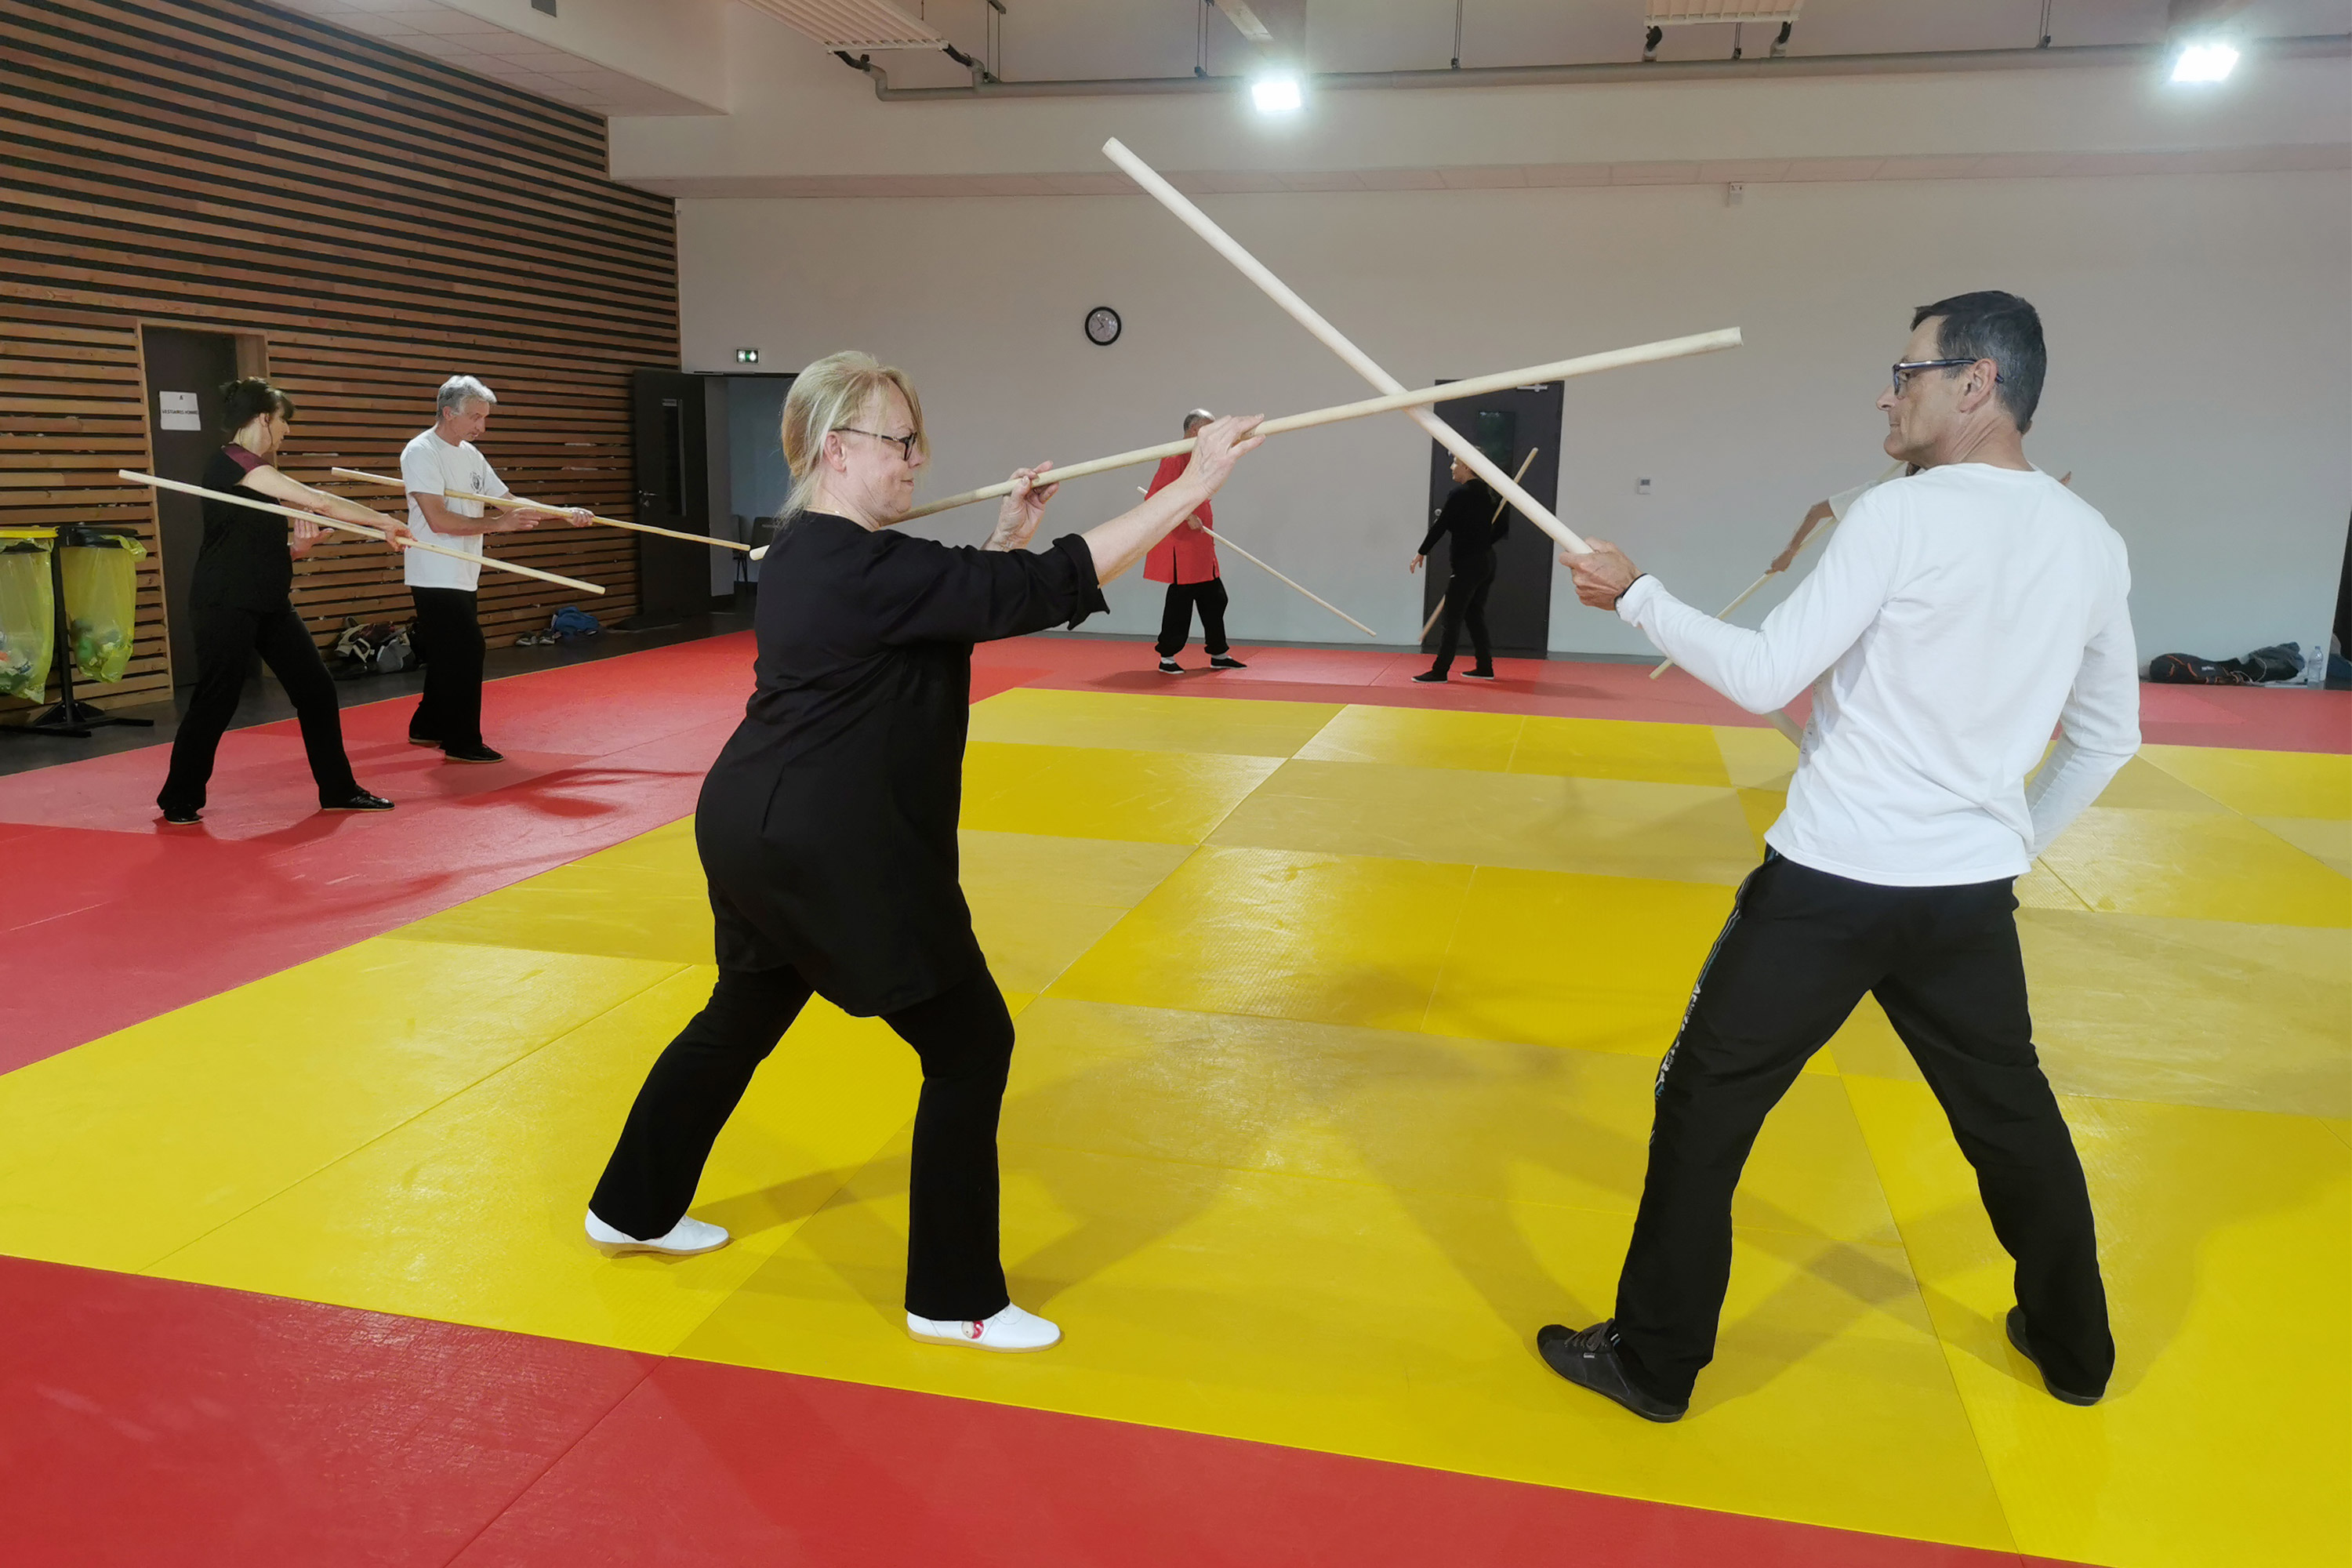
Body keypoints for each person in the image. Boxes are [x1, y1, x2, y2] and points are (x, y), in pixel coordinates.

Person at [585, 351, 1265, 1352]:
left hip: (753, 824)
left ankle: (631, 1205)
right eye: (900, 440)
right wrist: (1193, 486)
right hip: (832, 841)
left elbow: (950, 608)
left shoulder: (810, 554)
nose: (915, 459)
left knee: (742, 1010)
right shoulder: (860, 564)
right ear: (835, 449)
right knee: (970, 1043)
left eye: (916, 440)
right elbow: (1043, 587)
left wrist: (1002, 538)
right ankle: (954, 1298)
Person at [1538, 292, 2136, 1421]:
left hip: (1828, 889)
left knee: (1703, 1106)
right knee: (2013, 1122)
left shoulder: (1900, 517)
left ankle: (1652, 1363)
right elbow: (2111, 736)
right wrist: (2007, 850)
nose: (1886, 391)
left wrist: (1640, 597)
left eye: (1905, 370)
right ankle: (2075, 1350)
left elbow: (1768, 676)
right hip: (1962, 905)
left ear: (1977, 384)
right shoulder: (2089, 538)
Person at [155, 377, 410, 826]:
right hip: (225, 602)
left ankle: (338, 789)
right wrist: (385, 521)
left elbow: (249, 540)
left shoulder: (256, 473)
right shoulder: (233, 463)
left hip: (269, 599)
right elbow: (319, 501)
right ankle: (179, 797)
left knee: (316, 690)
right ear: (263, 419)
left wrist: (296, 550)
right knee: (217, 700)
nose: (287, 431)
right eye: (284, 422)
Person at [400, 376, 590, 763]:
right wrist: (498, 525)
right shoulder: (422, 452)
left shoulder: (470, 455)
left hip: (464, 569)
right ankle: (461, 740)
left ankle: (427, 725)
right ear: (449, 413)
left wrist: (563, 514)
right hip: (433, 569)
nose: (480, 428)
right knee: (467, 649)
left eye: (484, 419)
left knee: (448, 650)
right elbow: (437, 520)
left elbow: (508, 501)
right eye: (474, 418)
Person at [1144, 408, 1246, 674]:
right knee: (1180, 604)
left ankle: (1219, 654)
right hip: (1183, 546)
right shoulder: (1175, 456)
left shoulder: (1199, 456)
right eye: (1208, 429)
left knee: (1216, 599)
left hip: (1201, 547)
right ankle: (1167, 657)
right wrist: (1187, 515)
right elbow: (1155, 497)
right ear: (1194, 431)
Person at [1410, 453, 1509, 682]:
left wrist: (1422, 552)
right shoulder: (1487, 494)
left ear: (1466, 466)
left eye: (1455, 463)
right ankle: (1485, 667)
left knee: (1451, 617)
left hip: (1468, 565)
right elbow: (1501, 526)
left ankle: (1440, 671)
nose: (1451, 467)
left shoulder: (1460, 494)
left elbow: (1441, 525)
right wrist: (1483, 541)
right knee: (1474, 614)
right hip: (1486, 562)